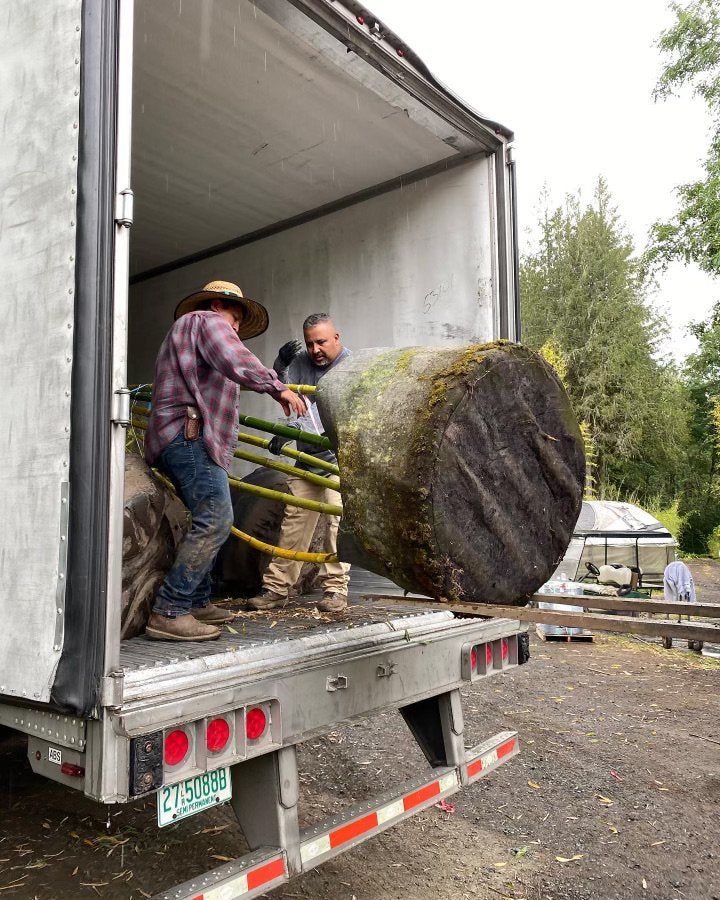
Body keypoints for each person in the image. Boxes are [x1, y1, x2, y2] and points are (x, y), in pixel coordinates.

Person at [143, 280, 306, 642]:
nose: (235, 329)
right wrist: (276, 386)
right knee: (217, 518)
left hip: (179, 437)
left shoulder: (191, 332)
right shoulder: (207, 320)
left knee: (201, 518)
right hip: (188, 435)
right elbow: (235, 358)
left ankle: (197, 601)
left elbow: (229, 365)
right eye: (235, 319)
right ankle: (169, 610)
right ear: (219, 306)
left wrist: (274, 374)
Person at [247, 313, 351, 613]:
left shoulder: (351, 367)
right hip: (307, 459)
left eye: (321, 342)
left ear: (336, 338)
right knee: (293, 525)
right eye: (310, 344)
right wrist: (287, 431)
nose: (316, 350)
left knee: (337, 527)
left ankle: (335, 591)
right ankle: (276, 589)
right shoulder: (302, 364)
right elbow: (294, 402)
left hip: (338, 462)